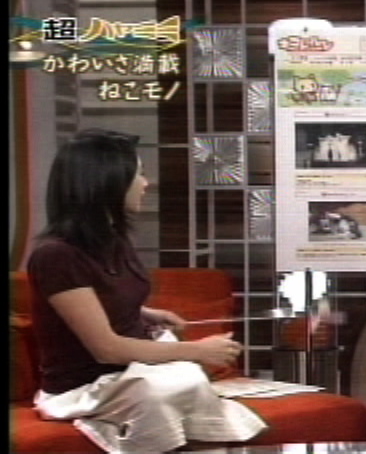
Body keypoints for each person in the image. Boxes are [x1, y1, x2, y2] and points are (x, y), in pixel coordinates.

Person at [27, 129, 266, 453]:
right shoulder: (56, 256)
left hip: (128, 372)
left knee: (186, 380)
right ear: (108, 182)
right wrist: (196, 350)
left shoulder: (113, 239)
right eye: (138, 174)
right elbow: (107, 349)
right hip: (84, 385)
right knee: (163, 389)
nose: (146, 183)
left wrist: (146, 313)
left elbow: (95, 301)